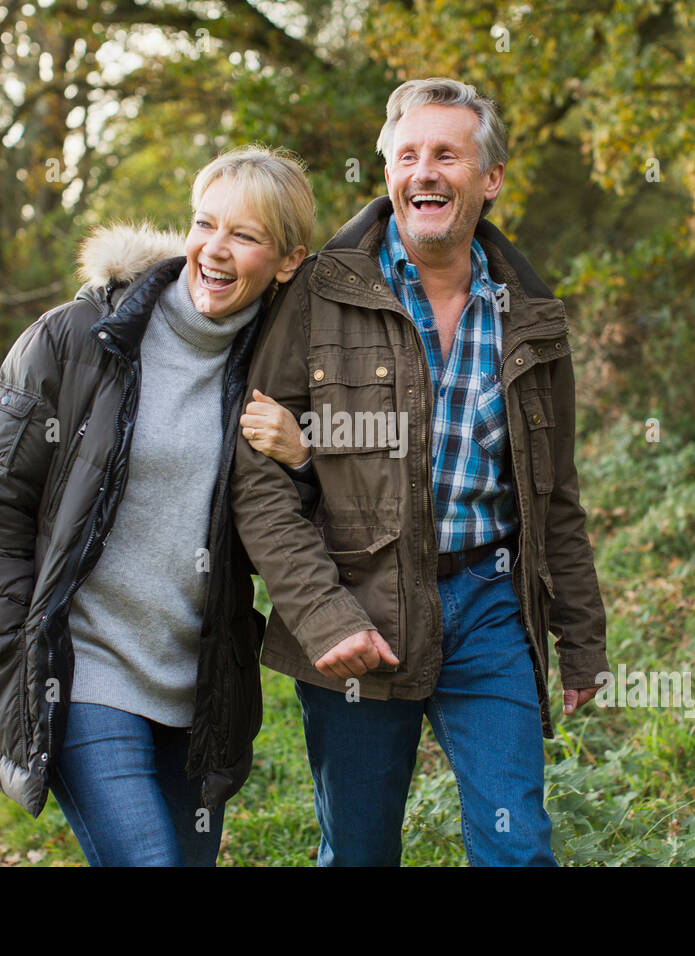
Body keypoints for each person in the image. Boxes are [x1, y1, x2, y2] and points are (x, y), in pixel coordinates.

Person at [231, 78, 610, 866]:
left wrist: (583, 636)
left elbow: (555, 494)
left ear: (490, 178)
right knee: (362, 852)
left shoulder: (530, 315)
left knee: (520, 847)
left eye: (447, 154)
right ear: (388, 172)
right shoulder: (319, 293)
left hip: (489, 604)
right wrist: (323, 615)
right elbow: (259, 477)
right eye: (408, 155)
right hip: (358, 603)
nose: (425, 171)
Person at [0, 145, 316, 866]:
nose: (214, 250)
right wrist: (2, 648)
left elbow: (296, 532)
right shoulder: (78, 339)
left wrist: (303, 459)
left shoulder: (279, 371)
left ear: (287, 261)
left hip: (195, 685)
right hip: (80, 667)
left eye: (244, 236)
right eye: (205, 224)